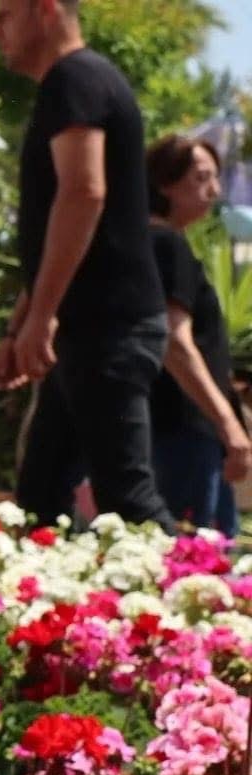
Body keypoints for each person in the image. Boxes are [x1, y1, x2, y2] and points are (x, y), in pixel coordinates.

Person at [0, 0, 175, 531]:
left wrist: (43, 314)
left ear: (45, 10)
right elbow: (58, 228)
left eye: (5, 15)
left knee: (129, 503)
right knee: (39, 502)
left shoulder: (75, 78)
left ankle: (220, 602)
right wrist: (22, 324)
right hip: (87, 331)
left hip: (107, 328)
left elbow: (83, 192)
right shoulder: (71, 82)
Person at [145, 135, 250, 532]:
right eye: (201, 178)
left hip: (183, 429)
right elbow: (176, 340)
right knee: (198, 561)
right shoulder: (167, 245)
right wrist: (228, 423)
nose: (215, 190)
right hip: (186, 430)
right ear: (165, 184)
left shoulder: (152, 243)